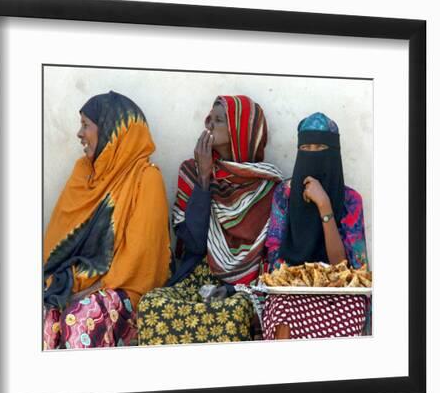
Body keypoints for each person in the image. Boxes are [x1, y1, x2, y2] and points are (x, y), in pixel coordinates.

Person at [137, 95, 283, 345]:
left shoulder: (266, 184)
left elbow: (271, 254)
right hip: (200, 278)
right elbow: (192, 243)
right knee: (154, 303)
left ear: (241, 129)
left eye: (218, 120)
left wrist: (242, 287)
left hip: (243, 285)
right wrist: (204, 179)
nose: (209, 126)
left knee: (231, 311)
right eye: (209, 120)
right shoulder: (192, 171)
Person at [43, 91, 171, 349]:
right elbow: (58, 241)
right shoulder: (84, 172)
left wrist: (87, 291)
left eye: (86, 125)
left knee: (80, 318)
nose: (79, 134)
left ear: (113, 131)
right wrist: (68, 285)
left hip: (127, 291)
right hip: (82, 282)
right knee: (47, 317)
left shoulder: (146, 178)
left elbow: (138, 260)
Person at [262, 112, 370, 340]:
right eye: (305, 148)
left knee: (352, 313)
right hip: (291, 290)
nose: (311, 154)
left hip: (338, 293)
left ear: (334, 153)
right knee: (282, 314)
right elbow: (275, 259)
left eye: (319, 148)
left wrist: (324, 205)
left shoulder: (351, 200)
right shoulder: (285, 194)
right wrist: (302, 280)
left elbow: (348, 268)